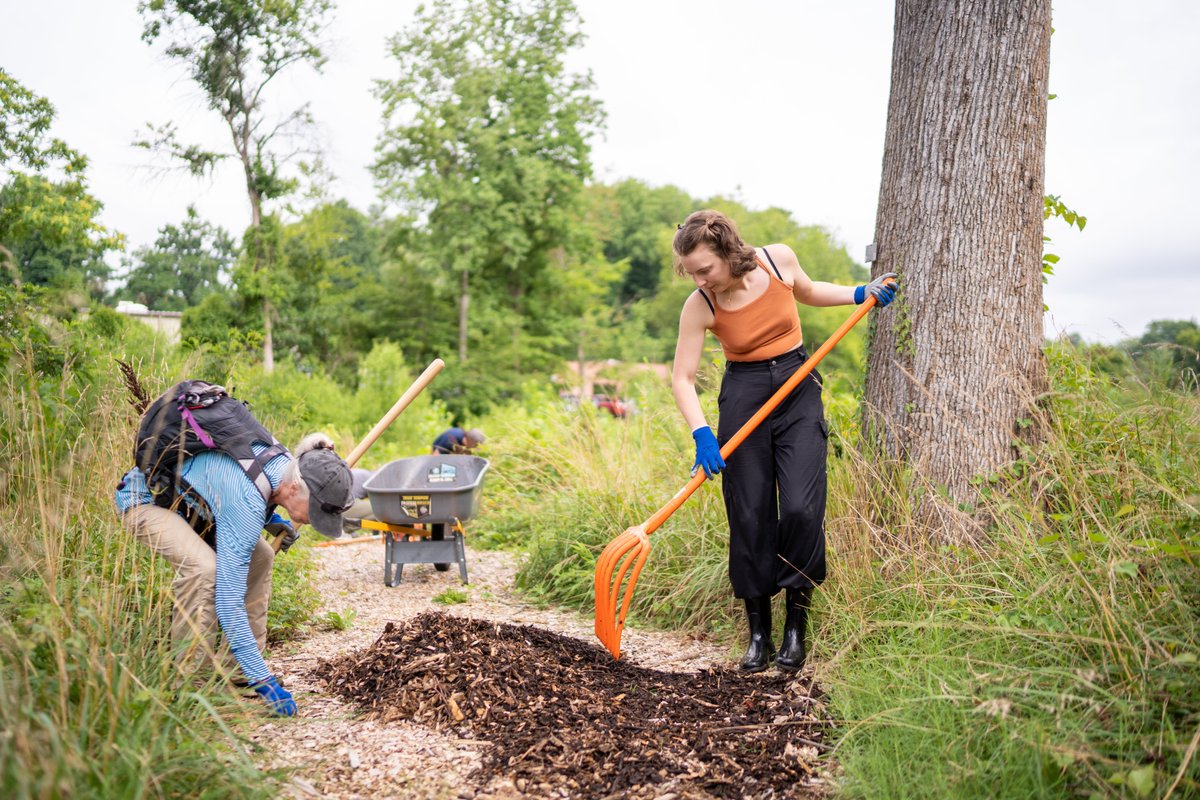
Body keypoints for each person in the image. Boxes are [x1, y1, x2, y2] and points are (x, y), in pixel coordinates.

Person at [670, 210, 897, 673]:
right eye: (691, 272)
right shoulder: (701, 304)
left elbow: (810, 292)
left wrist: (860, 292)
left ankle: (797, 627)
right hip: (744, 395)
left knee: (799, 507)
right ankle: (759, 634)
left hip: (796, 388)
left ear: (728, 253)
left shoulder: (778, 261)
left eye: (704, 269)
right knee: (750, 513)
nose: (698, 279)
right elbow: (682, 378)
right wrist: (702, 434)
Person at [114, 431, 353, 716]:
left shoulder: (291, 468)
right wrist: (264, 681)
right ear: (293, 490)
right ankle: (191, 685)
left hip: (197, 509)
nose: (314, 520)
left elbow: (226, 484)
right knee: (204, 570)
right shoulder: (247, 503)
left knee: (262, 556)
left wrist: (275, 521)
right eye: (314, 511)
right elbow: (230, 604)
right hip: (145, 501)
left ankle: (237, 673)